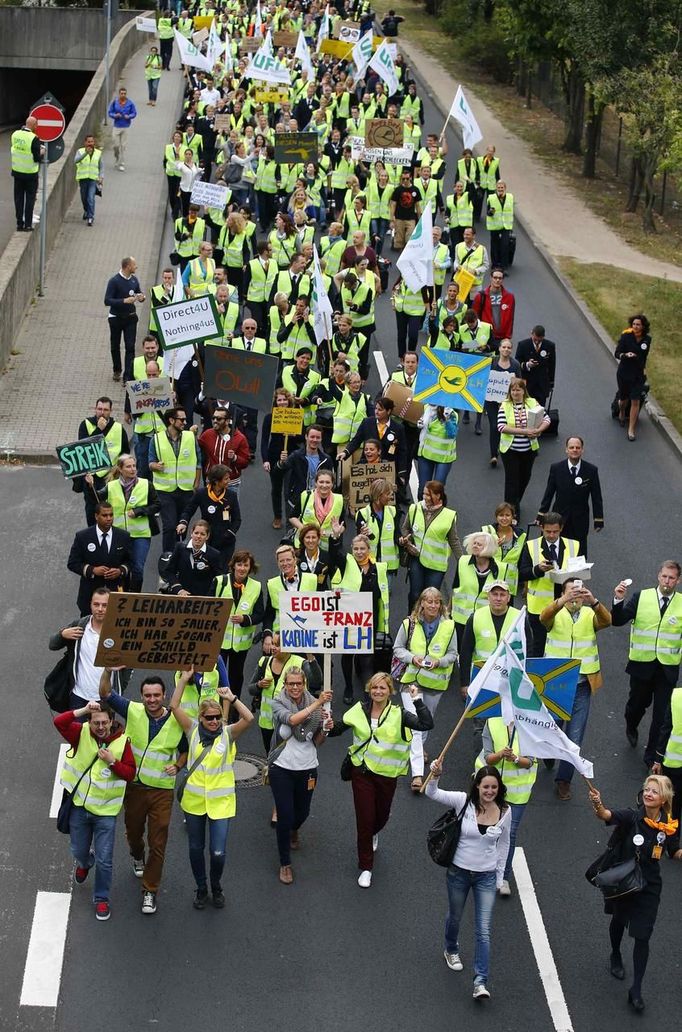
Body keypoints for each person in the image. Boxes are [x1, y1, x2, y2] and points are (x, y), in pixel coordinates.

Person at [328, 673, 434, 888]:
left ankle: (375, 831)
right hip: (362, 772)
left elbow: (426, 724)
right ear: (369, 689)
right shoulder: (359, 710)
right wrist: (328, 725)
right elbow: (337, 730)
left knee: (381, 816)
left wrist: (417, 700)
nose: (378, 691)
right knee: (364, 820)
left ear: (390, 691)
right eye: (374, 687)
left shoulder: (400, 714)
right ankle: (366, 867)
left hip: (387, 775)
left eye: (382, 688)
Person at [587, 775, 682, 1013]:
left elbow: (674, 851)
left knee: (643, 935)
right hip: (625, 881)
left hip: (649, 885)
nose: (648, 794)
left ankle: (636, 990)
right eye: (646, 790)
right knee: (618, 920)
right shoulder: (631, 816)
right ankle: (616, 954)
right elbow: (606, 816)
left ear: (664, 799)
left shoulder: (668, 825)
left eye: (654, 791)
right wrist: (598, 804)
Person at [99, 669, 187, 915]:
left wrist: (179, 765)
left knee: (158, 842)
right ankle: (137, 855)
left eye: (156, 695)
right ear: (141, 696)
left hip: (161, 791)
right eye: (147, 695)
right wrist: (108, 669)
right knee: (134, 833)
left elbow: (186, 750)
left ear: (164, 695)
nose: (152, 699)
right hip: (134, 787)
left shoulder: (177, 720)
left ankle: (150, 890)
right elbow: (105, 692)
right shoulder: (133, 710)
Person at [426, 759, 511, 1000]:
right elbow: (432, 793)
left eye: (494, 787)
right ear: (476, 787)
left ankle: (480, 981)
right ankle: (451, 949)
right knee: (455, 916)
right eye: (485, 787)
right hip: (459, 872)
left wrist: (499, 877)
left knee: (483, 929)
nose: (489, 791)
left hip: (485, 875)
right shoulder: (463, 801)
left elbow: (504, 845)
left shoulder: (505, 810)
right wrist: (436, 774)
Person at [170, 676, 254, 909]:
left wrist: (232, 698)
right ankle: (201, 887)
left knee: (217, 852)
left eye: (217, 717)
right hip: (195, 802)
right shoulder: (192, 731)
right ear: (200, 718)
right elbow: (174, 706)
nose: (215, 721)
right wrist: (183, 680)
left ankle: (216, 885)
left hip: (221, 803)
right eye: (209, 718)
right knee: (196, 849)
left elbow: (249, 718)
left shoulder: (228, 734)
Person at [54, 699, 135, 921]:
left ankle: (101, 898)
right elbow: (59, 722)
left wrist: (112, 762)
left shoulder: (122, 743)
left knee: (105, 859)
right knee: (78, 850)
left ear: (112, 722)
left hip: (106, 813)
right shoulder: (80, 734)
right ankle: (84, 862)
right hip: (80, 807)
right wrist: (82, 710)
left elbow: (130, 774)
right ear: (89, 723)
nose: (100, 727)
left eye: (104, 723)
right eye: (95, 723)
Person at [541, 577, 611, 800]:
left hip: (582, 684)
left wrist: (595, 601)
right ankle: (549, 753)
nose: (576, 596)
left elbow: (608, 621)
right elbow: (543, 617)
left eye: (579, 592)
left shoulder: (591, 614)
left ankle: (564, 780)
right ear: (563, 593)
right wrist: (561, 600)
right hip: (556, 682)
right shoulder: (555, 613)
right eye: (571, 591)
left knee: (575, 736)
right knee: (553, 728)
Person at [611, 562, 682, 766]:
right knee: (637, 705)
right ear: (658, 576)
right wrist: (618, 600)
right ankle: (631, 724)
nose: (667, 581)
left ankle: (651, 756)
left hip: (667, 669)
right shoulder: (641, 597)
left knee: (661, 715)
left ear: (678, 580)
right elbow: (618, 620)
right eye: (664, 576)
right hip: (642, 665)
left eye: (671, 578)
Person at [268, 668, 333, 884]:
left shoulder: (316, 704)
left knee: (302, 812)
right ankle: (285, 863)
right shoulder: (278, 703)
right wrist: (317, 705)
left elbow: (316, 741)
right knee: (284, 816)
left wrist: (325, 728)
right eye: (290, 684)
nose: (294, 687)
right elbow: (293, 720)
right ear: (285, 685)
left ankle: (295, 829)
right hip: (281, 768)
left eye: (298, 683)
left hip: (307, 768)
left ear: (304, 683)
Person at [394, 588, 458, 792]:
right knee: (415, 726)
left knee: (426, 722)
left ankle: (418, 749)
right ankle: (417, 774)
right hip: (411, 681)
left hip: (435, 683)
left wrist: (440, 661)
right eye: (428, 601)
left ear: (441, 605)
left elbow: (453, 654)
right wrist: (412, 658)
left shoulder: (449, 626)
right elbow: (397, 648)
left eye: (436, 602)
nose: (432, 605)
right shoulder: (409, 623)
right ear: (421, 603)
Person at [458, 582, 529, 758]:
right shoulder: (476, 617)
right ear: (488, 596)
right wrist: (465, 683)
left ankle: (504, 762)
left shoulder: (519, 618)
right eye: (494, 594)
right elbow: (465, 651)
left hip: (510, 681)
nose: (498, 598)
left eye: (502, 595)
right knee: (480, 726)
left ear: (508, 598)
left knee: (508, 723)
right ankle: (481, 767)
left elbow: (531, 649)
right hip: (483, 681)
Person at [329, 529, 392, 705]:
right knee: (348, 655)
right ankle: (348, 687)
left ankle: (367, 691)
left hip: (369, 620)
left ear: (368, 549)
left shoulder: (378, 568)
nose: (359, 552)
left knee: (366, 658)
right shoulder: (347, 564)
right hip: (348, 619)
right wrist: (335, 537)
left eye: (362, 548)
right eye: (355, 548)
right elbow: (334, 555)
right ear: (352, 549)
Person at [476, 718, 536, 897]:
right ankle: (483, 869)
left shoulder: (530, 725)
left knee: (508, 834)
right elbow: (488, 758)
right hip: (491, 792)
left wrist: (516, 758)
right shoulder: (492, 723)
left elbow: (531, 761)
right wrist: (501, 754)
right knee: (487, 830)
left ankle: (503, 878)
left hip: (518, 793)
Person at [87, 453, 158, 592]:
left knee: (137, 568)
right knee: (120, 569)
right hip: (118, 535)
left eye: (134, 466)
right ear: (120, 469)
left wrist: (138, 511)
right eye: (128, 466)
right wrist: (91, 486)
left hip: (140, 534)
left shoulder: (146, 484)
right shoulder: (111, 486)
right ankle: (122, 595)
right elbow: (96, 500)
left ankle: (134, 596)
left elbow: (157, 505)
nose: (133, 469)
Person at [49, 589, 129, 709]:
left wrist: (121, 686)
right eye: (96, 604)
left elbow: (130, 661)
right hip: (78, 697)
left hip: (106, 698)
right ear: (90, 605)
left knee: (102, 728)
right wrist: (62, 634)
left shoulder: (119, 632)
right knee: (79, 729)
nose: (100, 609)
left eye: (105, 605)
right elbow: (53, 645)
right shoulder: (79, 625)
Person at [518, 512, 580, 655]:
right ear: (541, 528)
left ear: (561, 528)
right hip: (539, 607)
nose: (551, 535)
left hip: (566, 605)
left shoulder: (574, 545)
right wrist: (538, 569)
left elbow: (579, 571)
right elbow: (522, 574)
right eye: (548, 532)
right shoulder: (531, 546)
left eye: (555, 532)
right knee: (538, 647)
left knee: (562, 644)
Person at [537, 436, 604, 557]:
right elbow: (549, 493)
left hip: (580, 519)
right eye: (571, 447)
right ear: (566, 450)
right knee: (558, 550)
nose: (575, 450)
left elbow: (596, 497)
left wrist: (598, 519)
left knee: (579, 552)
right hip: (559, 518)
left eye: (578, 447)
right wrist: (541, 514)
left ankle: (578, 576)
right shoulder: (556, 468)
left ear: (582, 450)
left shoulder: (591, 470)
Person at [401, 481, 463, 610]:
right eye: (424, 494)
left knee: (432, 598)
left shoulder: (449, 515)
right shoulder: (415, 508)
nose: (425, 497)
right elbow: (406, 528)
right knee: (415, 594)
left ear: (438, 496)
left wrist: (463, 561)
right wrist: (407, 540)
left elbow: (454, 540)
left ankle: (429, 622)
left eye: (428, 495)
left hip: (436, 565)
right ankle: (412, 621)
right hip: (416, 558)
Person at [149, 406, 201, 553]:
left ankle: (180, 552)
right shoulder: (156, 439)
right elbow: (150, 462)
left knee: (181, 525)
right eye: (182, 419)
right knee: (170, 525)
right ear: (171, 420)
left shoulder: (190, 437)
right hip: (165, 490)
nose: (185, 422)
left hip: (186, 489)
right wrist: (155, 466)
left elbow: (198, 461)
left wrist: (196, 483)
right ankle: (168, 556)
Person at [214, 549, 264, 700]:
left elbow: (259, 614)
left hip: (241, 644)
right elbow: (208, 607)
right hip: (219, 641)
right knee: (216, 676)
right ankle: (215, 708)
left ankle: (234, 711)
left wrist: (245, 619)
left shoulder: (256, 586)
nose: (242, 568)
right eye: (239, 564)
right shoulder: (219, 582)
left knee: (236, 677)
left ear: (250, 568)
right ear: (233, 565)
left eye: (246, 565)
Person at [497, 377, 550, 515]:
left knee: (524, 478)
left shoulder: (532, 402)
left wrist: (538, 431)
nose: (515, 393)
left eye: (518, 390)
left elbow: (546, 419)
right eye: (513, 390)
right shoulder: (505, 405)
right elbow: (501, 426)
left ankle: (515, 502)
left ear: (523, 391)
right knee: (512, 481)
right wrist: (524, 431)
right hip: (510, 450)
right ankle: (511, 512)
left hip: (528, 450)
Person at [67, 503, 131, 616]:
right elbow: (73, 563)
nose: (109, 519)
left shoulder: (123, 536)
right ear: (96, 516)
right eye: (104, 515)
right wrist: (92, 570)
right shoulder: (83, 537)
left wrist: (120, 571)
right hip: (90, 594)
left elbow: (130, 562)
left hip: (116, 594)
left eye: (111, 515)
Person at [76, 396, 130, 524]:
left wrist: (118, 469)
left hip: (111, 476)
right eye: (99, 409)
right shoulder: (86, 424)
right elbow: (82, 448)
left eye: (106, 409)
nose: (102, 412)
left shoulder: (118, 428)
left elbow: (125, 452)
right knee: (92, 510)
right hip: (92, 476)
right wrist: (98, 430)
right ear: (95, 409)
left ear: (110, 411)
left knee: (109, 510)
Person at [176, 464, 241, 569]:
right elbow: (188, 510)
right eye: (226, 479)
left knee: (222, 570)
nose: (229, 480)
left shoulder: (231, 495)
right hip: (207, 539)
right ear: (216, 481)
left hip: (225, 541)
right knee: (205, 569)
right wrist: (183, 522)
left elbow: (237, 519)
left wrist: (230, 533)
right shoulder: (202, 493)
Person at [451, 533, 510, 646]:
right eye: (474, 543)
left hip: (486, 621)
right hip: (461, 620)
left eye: (479, 544)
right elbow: (455, 588)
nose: (475, 546)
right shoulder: (462, 561)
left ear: (489, 548)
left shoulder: (502, 568)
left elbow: (507, 598)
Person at [262, 544, 319, 641]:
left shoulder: (312, 579)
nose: (285, 563)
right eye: (281, 561)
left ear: (295, 560)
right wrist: (267, 634)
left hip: (307, 636)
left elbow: (323, 606)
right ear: (278, 563)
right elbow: (269, 614)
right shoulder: (272, 584)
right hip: (282, 638)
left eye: (288, 560)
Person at [277, 424, 333, 521]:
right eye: (312, 437)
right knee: (291, 533)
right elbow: (278, 473)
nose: (314, 440)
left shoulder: (326, 460)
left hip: (318, 503)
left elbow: (332, 482)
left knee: (313, 534)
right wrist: (281, 463)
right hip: (296, 501)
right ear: (306, 437)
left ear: (321, 439)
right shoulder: (295, 456)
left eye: (318, 437)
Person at [104, 257, 145, 383]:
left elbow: (138, 292)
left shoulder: (134, 280)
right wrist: (124, 301)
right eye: (134, 265)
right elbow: (107, 300)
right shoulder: (114, 281)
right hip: (116, 318)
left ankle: (127, 375)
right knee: (115, 346)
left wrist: (141, 297)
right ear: (127, 266)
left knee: (130, 347)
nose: (136, 267)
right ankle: (117, 369)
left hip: (131, 317)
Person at [481, 339, 521, 463]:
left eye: (509, 348)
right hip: (491, 402)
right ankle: (494, 455)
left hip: (508, 402)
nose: (506, 350)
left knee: (505, 427)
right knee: (494, 426)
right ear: (499, 348)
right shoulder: (491, 362)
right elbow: (483, 379)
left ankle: (504, 449)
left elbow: (519, 383)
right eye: (504, 347)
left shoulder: (515, 365)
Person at [197, 408, 250, 497]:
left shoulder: (240, 438)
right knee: (210, 510)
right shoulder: (207, 434)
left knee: (230, 511)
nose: (215, 421)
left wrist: (234, 458)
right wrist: (192, 434)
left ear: (227, 421)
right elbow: (195, 448)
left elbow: (245, 462)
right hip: (212, 482)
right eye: (213, 418)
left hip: (231, 483)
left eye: (219, 419)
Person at [288, 468, 344, 553]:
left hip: (328, 546)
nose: (324, 485)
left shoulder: (339, 499)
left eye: (327, 482)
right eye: (321, 482)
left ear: (332, 484)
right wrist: (305, 529)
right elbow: (292, 517)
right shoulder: (305, 496)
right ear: (315, 483)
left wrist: (337, 531)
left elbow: (343, 524)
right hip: (305, 543)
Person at [161, 520, 223, 595]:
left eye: (202, 534)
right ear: (191, 533)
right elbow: (169, 571)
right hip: (182, 597)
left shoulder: (214, 554)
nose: (198, 536)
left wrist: (210, 595)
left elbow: (219, 578)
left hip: (203, 599)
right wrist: (179, 590)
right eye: (196, 533)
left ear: (207, 536)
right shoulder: (180, 548)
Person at [615, 314, 651, 441]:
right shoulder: (626, 337)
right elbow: (617, 353)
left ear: (643, 327)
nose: (635, 327)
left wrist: (635, 354)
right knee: (624, 399)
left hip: (638, 374)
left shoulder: (647, 339)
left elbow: (642, 353)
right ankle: (622, 412)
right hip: (624, 373)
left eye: (638, 325)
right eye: (634, 324)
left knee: (635, 400)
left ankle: (631, 430)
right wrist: (625, 354)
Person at [355, 479, 400, 574]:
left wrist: (402, 540)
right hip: (368, 564)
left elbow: (397, 534)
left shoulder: (394, 512)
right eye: (388, 494)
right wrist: (363, 535)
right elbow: (358, 541)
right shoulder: (362, 514)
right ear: (379, 496)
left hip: (388, 566)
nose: (390, 497)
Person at [481, 502, 526, 596]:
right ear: (496, 517)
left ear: (513, 517)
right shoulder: (486, 531)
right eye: (501, 515)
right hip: (489, 580)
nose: (504, 518)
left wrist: (526, 585)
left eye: (507, 515)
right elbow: (477, 554)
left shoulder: (521, 536)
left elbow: (524, 562)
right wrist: (492, 546)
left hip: (508, 585)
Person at [417, 405, 458, 498]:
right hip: (426, 454)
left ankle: (437, 511)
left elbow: (452, 434)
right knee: (423, 490)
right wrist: (420, 423)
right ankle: (422, 511)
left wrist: (447, 420)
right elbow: (423, 423)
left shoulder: (451, 413)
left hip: (444, 458)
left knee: (436, 491)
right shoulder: (426, 408)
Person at [11, 114, 43, 232]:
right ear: (34, 125)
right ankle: (28, 225)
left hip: (17, 173)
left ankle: (19, 224)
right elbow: (36, 158)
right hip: (30, 174)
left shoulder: (15, 134)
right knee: (30, 199)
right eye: (37, 124)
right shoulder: (34, 138)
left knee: (18, 199)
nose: (37, 126)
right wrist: (42, 152)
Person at [515, 325, 557, 408]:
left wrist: (551, 383)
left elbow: (552, 365)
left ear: (543, 337)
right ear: (532, 334)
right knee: (525, 408)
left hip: (542, 383)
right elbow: (517, 362)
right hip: (527, 383)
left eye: (539, 339)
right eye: (535, 339)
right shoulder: (523, 345)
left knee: (540, 409)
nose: (537, 342)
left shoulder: (550, 346)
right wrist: (527, 364)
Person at [472, 269, 515, 347]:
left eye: (500, 278)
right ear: (490, 278)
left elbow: (511, 318)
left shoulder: (510, 297)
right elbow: (475, 316)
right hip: (485, 335)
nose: (497, 280)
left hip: (502, 338)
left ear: (502, 280)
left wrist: (508, 337)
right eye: (495, 277)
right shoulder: (480, 296)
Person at [389, 169, 422, 251]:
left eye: (407, 178)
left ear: (410, 178)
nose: (405, 180)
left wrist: (420, 219)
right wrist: (392, 219)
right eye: (403, 179)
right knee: (399, 241)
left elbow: (417, 205)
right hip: (399, 218)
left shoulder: (415, 190)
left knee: (410, 239)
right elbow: (393, 204)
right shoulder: (398, 190)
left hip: (411, 218)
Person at [74, 134, 103, 227]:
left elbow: (101, 166)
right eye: (88, 142)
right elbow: (76, 161)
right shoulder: (80, 151)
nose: (90, 143)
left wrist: (101, 177)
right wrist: (86, 153)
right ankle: (86, 210)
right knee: (84, 198)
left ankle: (90, 217)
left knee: (91, 198)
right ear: (85, 143)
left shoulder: (98, 153)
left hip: (93, 179)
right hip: (83, 179)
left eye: (92, 141)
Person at [107, 86, 137, 172]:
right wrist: (114, 115)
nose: (123, 95)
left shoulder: (130, 103)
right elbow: (110, 112)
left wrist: (129, 116)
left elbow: (134, 113)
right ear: (119, 94)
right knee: (116, 145)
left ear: (126, 94)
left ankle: (121, 163)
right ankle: (117, 157)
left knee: (123, 146)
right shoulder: (115, 102)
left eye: (124, 93)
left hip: (126, 127)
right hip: (117, 126)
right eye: (121, 93)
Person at [486, 181, 514, 269]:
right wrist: (490, 212)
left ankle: (503, 265)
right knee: (494, 245)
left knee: (505, 245)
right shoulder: (491, 198)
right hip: (494, 225)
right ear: (496, 188)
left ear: (505, 188)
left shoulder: (510, 197)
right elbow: (488, 212)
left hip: (506, 225)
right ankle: (494, 264)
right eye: (499, 188)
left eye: (502, 188)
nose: (500, 189)